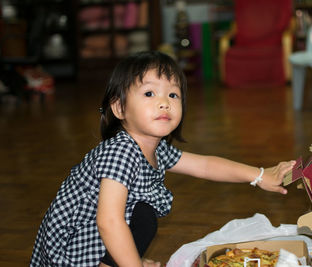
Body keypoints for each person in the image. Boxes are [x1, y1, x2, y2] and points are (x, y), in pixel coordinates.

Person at [30, 51, 295, 267]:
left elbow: (204, 165)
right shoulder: (119, 152)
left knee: (143, 215)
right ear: (120, 108)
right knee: (140, 216)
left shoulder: (153, 147)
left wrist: (259, 175)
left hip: (94, 235)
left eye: (173, 94)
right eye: (149, 93)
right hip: (68, 254)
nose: (164, 102)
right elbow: (108, 221)